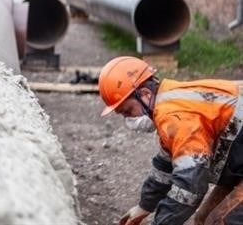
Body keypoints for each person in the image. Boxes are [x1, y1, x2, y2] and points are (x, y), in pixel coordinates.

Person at [97, 56, 243, 225]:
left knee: (220, 222)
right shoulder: (168, 102)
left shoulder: (174, 117)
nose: (129, 120)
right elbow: (165, 167)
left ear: (145, 94)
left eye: (128, 111)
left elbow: (190, 184)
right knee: (203, 219)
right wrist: (144, 206)